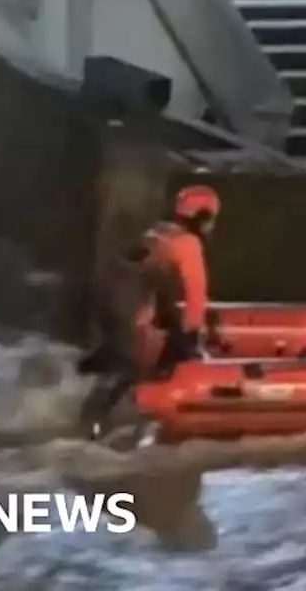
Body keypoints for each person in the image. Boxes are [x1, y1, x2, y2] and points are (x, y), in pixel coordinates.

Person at [80, 184, 220, 440]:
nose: (212, 227)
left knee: (127, 367)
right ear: (201, 218)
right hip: (137, 313)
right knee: (156, 367)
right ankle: (137, 426)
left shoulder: (156, 232)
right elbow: (195, 292)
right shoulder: (187, 243)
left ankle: (94, 420)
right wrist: (192, 331)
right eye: (211, 220)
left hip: (116, 309)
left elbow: (141, 271)